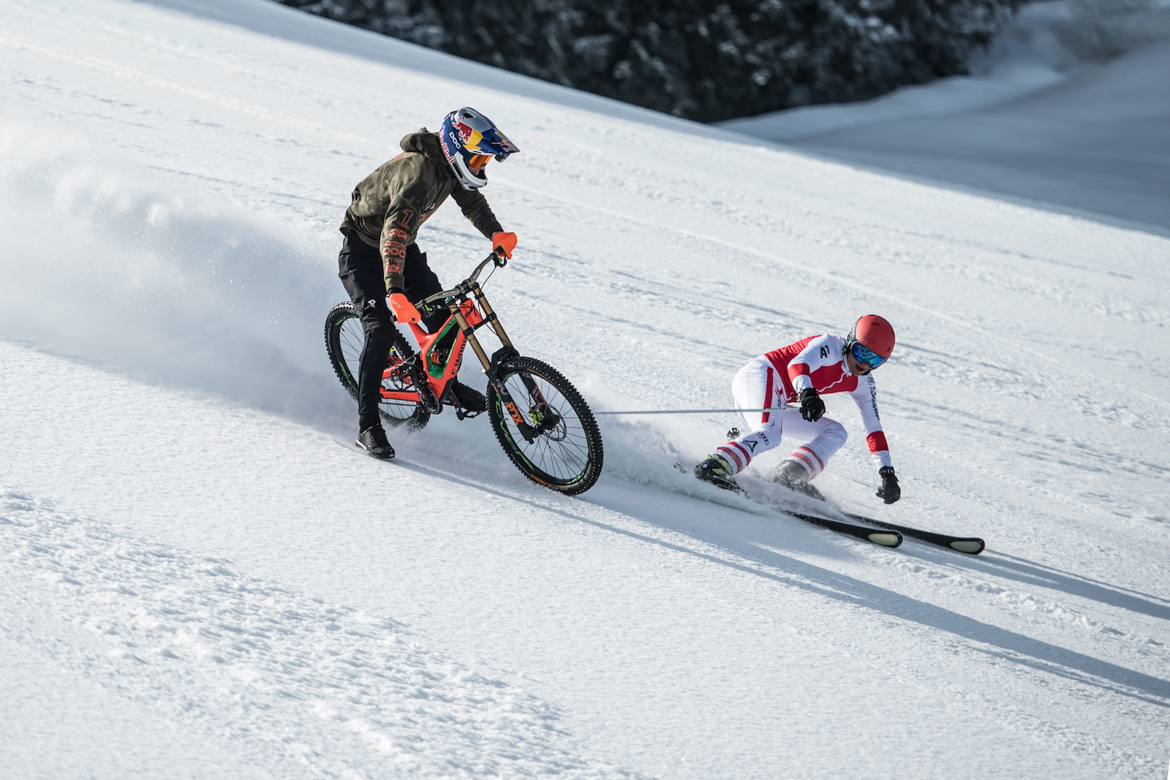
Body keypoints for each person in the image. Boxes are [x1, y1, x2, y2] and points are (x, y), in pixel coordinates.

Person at [337, 107, 520, 459]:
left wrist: (496, 233)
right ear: (458, 148)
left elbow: (471, 202)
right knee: (381, 330)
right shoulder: (419, 173)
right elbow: (394, 231)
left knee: (445, 320)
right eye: (480, 158)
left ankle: (443, 385)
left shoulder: (448, 167)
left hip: (401, 250)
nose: (482, 166)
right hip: (363, 253)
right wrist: (394, 291)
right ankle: (368, 424)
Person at [694, 315, 902, 504]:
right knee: (771, 434)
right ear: (850, 340)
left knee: (836, 432)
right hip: (761, 376)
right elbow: (797, 365)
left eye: (875, 360)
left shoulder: (864, 382)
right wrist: (807, 393)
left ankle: (788, 477)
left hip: (779, 397)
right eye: (861, 351)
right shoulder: (830, 345)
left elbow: (873, 427)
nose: (864, 364)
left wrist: (886, 473)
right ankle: (715, 465)